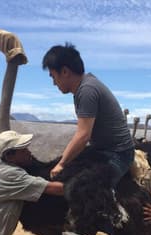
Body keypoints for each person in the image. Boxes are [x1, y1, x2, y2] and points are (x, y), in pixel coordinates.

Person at [42, 42, 134, 187]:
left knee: (84, 189)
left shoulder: (87, 90)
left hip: (117, 154)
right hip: (102, 150)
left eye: (53, 76)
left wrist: (62, 164)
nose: (54, 83)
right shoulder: (85, 85)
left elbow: (83, 135)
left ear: (65, 72)